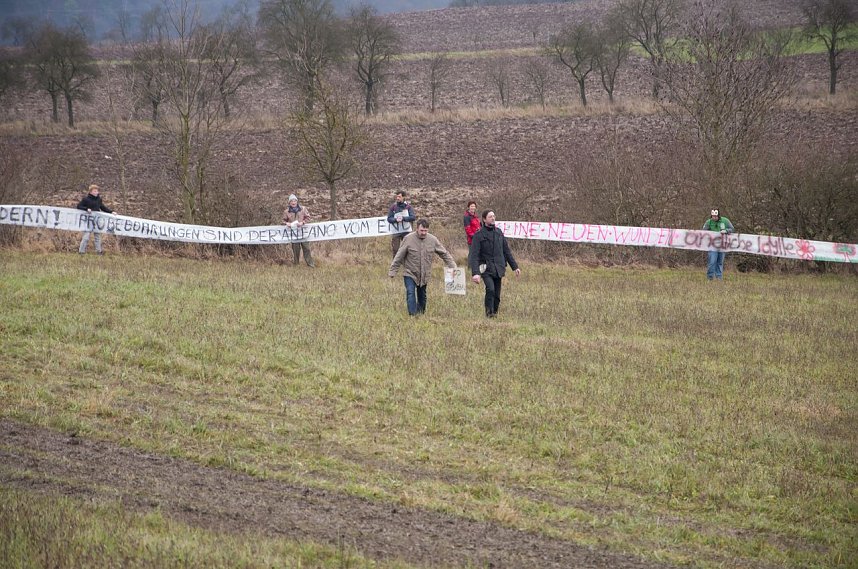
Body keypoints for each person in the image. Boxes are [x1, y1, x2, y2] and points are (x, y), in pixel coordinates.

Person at [388, 219, 456, 316]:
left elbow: (444, 254)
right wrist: (393, 270)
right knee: (410, 292)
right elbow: (399, 255)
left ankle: (420, 314)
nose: (423, 233)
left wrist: (453, 266)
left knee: (422, 296)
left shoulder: (433, 240)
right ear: (417, 229)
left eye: (425, 231)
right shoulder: (408, 239)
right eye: (422, 230)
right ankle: (412, 315)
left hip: (424, 274)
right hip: (410, 272)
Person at [469, 210, 520, 318]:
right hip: (486, 268)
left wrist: (515, 267)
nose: (493, 218)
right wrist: (475, 273)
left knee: (497, 295)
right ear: (484, 219)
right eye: (490, 217)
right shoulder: (478, 235)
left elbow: (506, 251)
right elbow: (474, 255)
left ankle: (494, 314)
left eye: (493, 216)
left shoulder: (499, 233)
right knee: (490, 289)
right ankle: (489, 314)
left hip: (498, 267)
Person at [76, 184, 117, 255]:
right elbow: (79, 206)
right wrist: (86, 209)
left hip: (97, 221)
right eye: (94, 191)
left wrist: (111, 212)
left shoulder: (99, 199)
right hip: (88, 221)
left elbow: (103, 207)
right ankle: (81, 251)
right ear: (90, 192)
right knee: (86, 237)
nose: (96, 192)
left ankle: (99, 252)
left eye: (97, 191)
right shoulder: (86, 199)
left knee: (97, 237)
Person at [282, 193, 314, 267]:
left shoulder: (303, 209)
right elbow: (282, 221)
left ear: (297, 201)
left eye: (294, 201)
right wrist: (287, 223)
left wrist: (303, 222)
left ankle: (310, 264)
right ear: (289, 203)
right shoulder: (286, 211)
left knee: (307, 249)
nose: (293, 202)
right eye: (291, 201)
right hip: (294, 234)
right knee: (295, 250)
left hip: (303, 233)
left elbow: (308, 217)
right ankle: (296, 265)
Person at [702, 208, 734, 280]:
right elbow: (703, 231)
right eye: (713, 216)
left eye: (715, 216)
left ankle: (719, 278)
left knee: (720, 262)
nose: (714, 218)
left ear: (718, 216)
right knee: (712, 261)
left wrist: (726, 230)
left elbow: (732, 229)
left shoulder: (725, 221)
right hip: (712, 245)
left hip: (722, 245)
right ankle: (710, 278)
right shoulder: (708, 222)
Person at [386, 190, 416, 257]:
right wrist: (395, 220)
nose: (397, 198)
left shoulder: (408, 207)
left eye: (399, 197)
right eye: (397, 197)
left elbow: (413, 217)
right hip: (396, 232)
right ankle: (395, 263)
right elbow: (389, 218)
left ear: (403, 197)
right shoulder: (393, 207)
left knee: (408, 249)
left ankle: (408, 262)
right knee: (395, 250)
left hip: (406, 232)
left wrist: (404, 218)